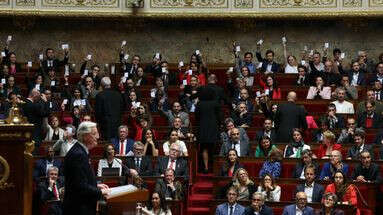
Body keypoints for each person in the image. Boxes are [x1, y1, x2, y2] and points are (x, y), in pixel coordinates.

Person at [63, 121, 110, 215]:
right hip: (78, 208)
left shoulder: (81, 151)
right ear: (84, 136)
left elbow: (81, 178)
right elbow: (80, 186)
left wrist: (95, 185)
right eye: (94, 133)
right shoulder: (78, 154)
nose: (97, 136)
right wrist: (100, 192)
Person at [195, 85, 223, 173]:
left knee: (204, 148)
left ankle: (206, 167)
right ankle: (215, 168)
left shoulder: (199, 104)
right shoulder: (215, 103)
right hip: (213, 128)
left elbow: (197, 117)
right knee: (214, 148)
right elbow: (219, 117)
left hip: (203, 128)